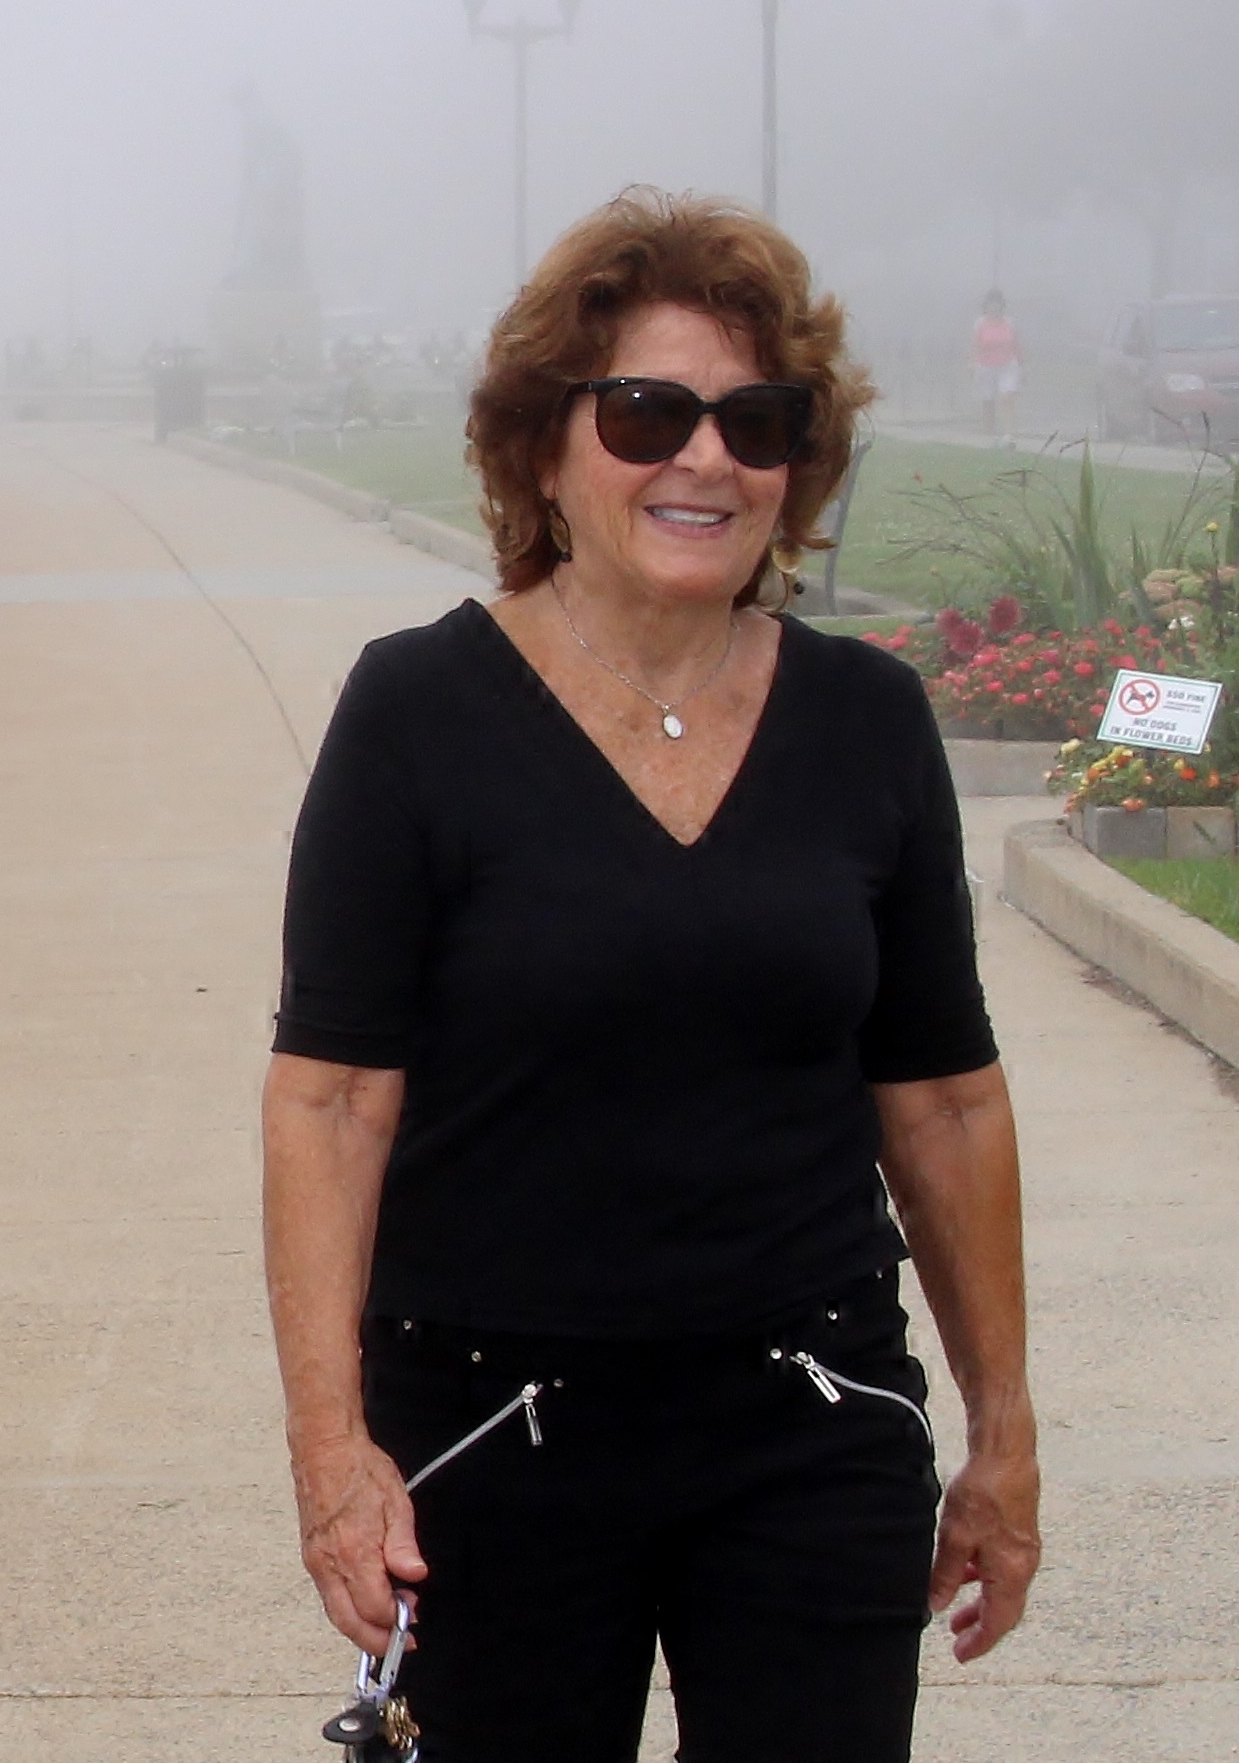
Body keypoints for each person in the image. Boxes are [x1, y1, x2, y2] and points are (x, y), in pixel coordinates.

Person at [264, 188, 1040, 1762]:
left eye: (755, 421)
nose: (703, 458)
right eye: (643, 413)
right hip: (490, 1426)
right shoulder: (413, 712)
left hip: (809, 1410)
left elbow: (942, 1101)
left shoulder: (865, 721)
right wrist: (329, 1449)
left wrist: (1001, 1430)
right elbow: (330, 1100)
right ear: (541, 446)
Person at [971, 287, 1021, 439]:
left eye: (997, 302)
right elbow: (975, 345)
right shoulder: (980, 324)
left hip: (1007, 365)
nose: (994, 306)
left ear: (1002, 304)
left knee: (1007, 397)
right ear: (986, 305)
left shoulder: (1010, 323)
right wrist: (973, 363)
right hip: (986, 366)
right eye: (991, 303)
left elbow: (1016, 345)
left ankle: (1008, 433)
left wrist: (1022, 365)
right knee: (988, 400)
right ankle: (989, 433)